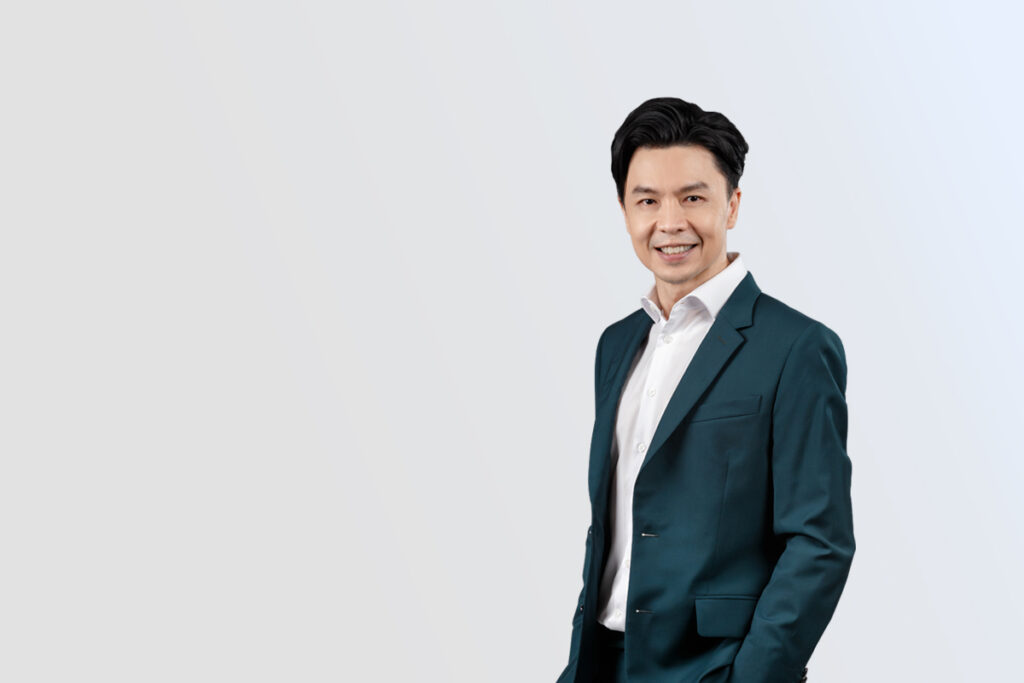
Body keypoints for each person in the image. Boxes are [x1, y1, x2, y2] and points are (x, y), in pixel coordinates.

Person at [556, 97, 855, 683]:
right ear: (624, 211)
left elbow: (820, 542)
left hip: (712, 669)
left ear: (732, 204)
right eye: (648, 201)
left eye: (692, 198)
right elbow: (613, 525)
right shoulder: (617, 344)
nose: (670, 223)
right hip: (602, 663)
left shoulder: (796, 347)